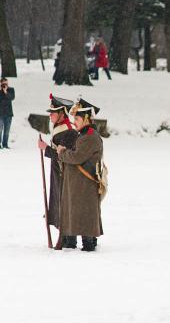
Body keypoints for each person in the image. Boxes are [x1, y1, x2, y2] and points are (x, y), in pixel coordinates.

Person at [57, 98, 104, 251]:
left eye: (77, 118)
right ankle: (72, 240)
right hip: (78, 184)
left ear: (86, 119)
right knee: (77, 212)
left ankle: (88, 242)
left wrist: (62, 152)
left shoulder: (90, 136)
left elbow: (76, 157)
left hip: (84, 185)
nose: (74, 121)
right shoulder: (84, 135)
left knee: (85, 214)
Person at [37, 95, 79, 237]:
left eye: (53, 113)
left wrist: (46, 149)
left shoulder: (69, 131)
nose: (50, 115)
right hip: (57, 172)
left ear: (62, 114)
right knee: (59, 202)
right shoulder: (60, 128)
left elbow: (65, 156)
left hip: (65, 174)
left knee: (65, 204)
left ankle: (67, 236)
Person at [0, 77, 15, 149]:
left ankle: (5, 144)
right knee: (0, 130)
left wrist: (5, 91)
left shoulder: (11, 90)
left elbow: (11, 98)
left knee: (7, 131)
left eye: (7, 83)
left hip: (9, 114)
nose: (5, 85)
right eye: (4, 83)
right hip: (0, 114)